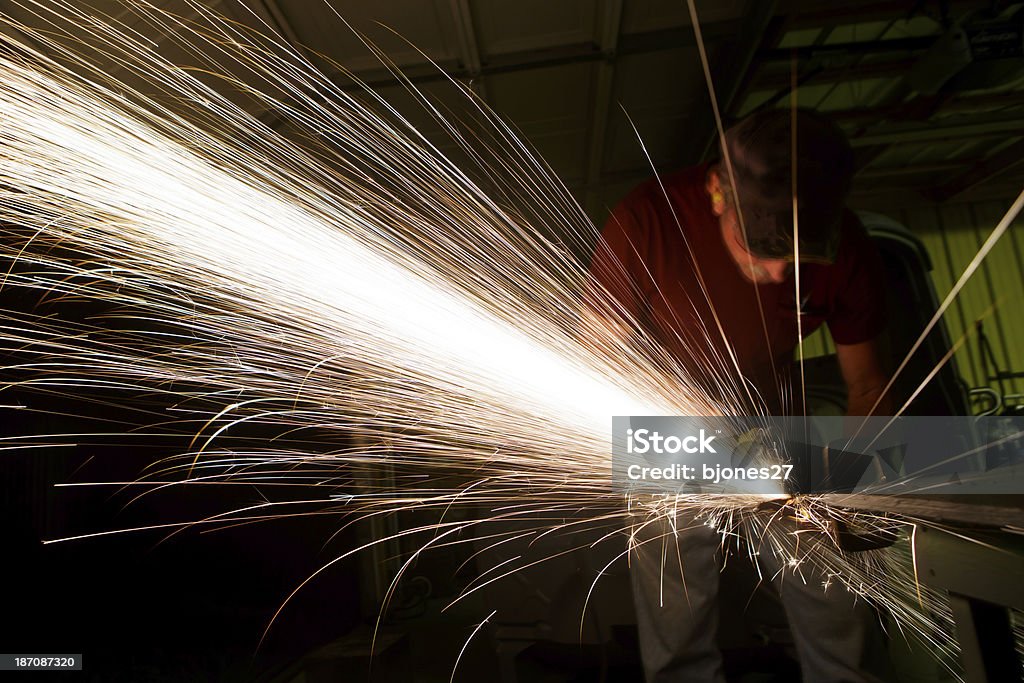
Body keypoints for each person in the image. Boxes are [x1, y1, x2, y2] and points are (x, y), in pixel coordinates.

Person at [588, 108, 895, 682]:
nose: (781, 274)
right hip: (666, 424)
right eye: (760, 248)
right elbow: (600, 350)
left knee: (828, 576)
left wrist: (858, 486)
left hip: (776, 424)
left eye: (797, 257)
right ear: (717, 192)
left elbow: (867, 382)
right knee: (674, 592)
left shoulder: (846, 244)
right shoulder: (650, 217)